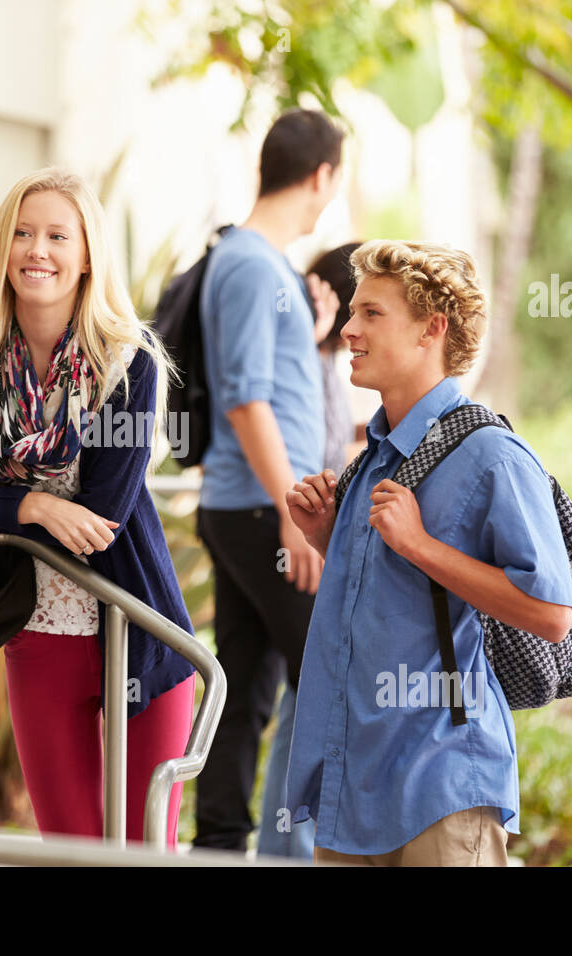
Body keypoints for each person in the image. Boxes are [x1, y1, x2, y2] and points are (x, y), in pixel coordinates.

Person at [0, 167, 196, 846]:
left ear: (87, 253)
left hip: (137, 625)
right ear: (3, 249)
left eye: (58, 235)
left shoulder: (128, 360)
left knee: (144, 851)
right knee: (72, 850)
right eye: (24, 234)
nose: (38, 250)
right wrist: (30, 507)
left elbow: (98, 523)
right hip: (35, 627)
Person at [285, 240, 572, 866]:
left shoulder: (493, 455)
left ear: (431, 329)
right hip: (351, 787)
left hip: (440, 790)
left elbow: (553, 612)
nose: (349, 329)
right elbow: (389, 597)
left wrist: (419, 545)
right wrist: (327, 535)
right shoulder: (370, 461)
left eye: (371, 314)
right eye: (352, 312)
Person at [191, 109, 344, 853]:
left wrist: (309, 339)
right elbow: (245, 395)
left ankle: (225, 846)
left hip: (248, 505)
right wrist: (293, 510)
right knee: (332, 677)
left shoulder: (260, 262)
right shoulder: (252, 263)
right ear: (321, 176)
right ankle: (298, 850)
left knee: (247, 686)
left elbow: (267, 380)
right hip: (259, 508)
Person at [256, 240, 361, 861]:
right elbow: (270, 413)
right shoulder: (312, 356)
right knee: (312, 693)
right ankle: (285, 850)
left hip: (310, 533)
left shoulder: (324, 359)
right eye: (364, 310)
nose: (359, 328)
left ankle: (281, 848)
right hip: (294, 535)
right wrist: (293, 524)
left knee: (300, 698)